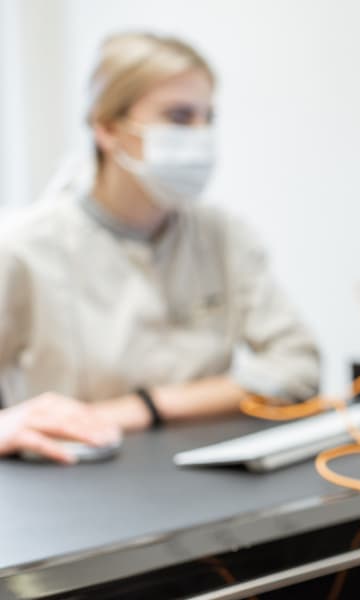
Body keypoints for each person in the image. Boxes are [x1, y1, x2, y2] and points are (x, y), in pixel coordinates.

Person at [0, 32, 320, 464]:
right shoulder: (23, 247)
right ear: (107, 127)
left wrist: (143, 407)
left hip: (202, 473)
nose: (200, 135)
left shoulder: (222, 236)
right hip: (74, 481)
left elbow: (298, 368)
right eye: (179, 116)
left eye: (208, 118)